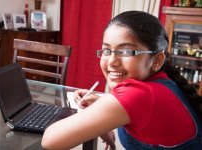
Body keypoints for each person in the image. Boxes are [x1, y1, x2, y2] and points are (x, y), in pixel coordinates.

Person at [41, 11, 202, 150]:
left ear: (157, 60)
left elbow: (50, 140)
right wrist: (104, 107)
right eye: (106, 50)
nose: (112, 61)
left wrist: (102, 110)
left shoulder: (139, 94)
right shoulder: (162, 82)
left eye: (125, 51)